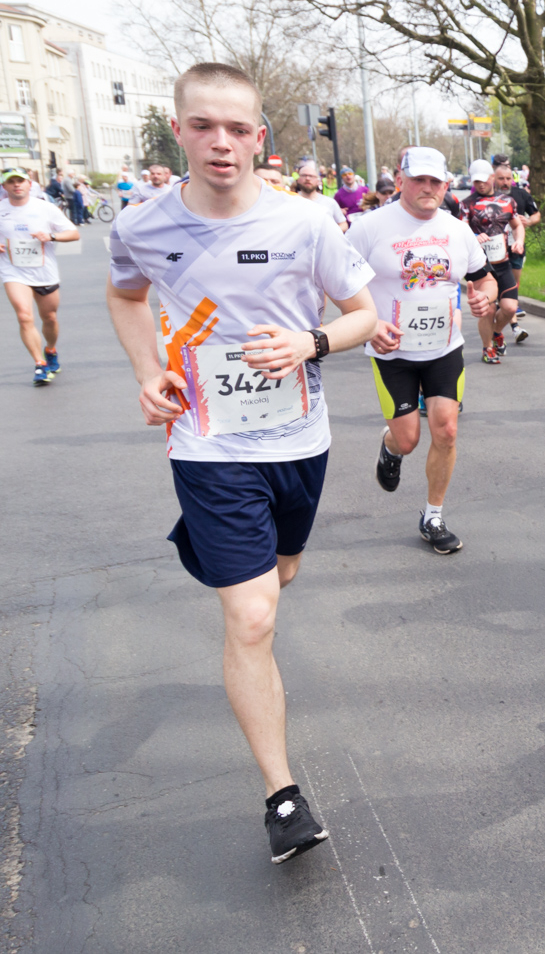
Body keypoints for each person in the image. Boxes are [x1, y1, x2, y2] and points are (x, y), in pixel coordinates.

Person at [105, 62, 377, 864]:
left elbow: (365, 314)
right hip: (207, 443)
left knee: (282, 574)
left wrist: (311, 340)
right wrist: (147, 372)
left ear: (260, 136)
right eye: (202, 126)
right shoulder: (140, 225)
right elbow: (125, 299)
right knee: (253, 614)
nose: (220, 143)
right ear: (179, 130)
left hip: (300, 440)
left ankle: (242, 555)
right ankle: (281, 795)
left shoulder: (306, 223)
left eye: (236, 128)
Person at [348, 146, 495, 553]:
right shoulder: (369, 227)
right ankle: (391, 446)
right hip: (391, 351)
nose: (427, 188)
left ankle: (433, 515)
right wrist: (368, 324)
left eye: (435, 181)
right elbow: (337, 283)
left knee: (446, 429)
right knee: (409, 439)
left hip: (444, 346)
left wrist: (485, 298)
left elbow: (485, 279)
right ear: (400, 181)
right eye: (419, 180)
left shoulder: (457, 229)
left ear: (446, 185)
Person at [0, 165, 78, 384]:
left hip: (44, 271)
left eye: (20, 180)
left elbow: (73, 233)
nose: (16, 184)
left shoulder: (45, 208)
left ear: (29, 184)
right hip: (13, 271)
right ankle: (39, 364)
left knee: (49, 318)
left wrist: (51, 236)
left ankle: (50, 350)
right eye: (11, 181)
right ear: (4, 186)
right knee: (24, 316)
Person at [458, 159, 523, 363]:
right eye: (476, 181)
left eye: (483, 180)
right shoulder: (466, 204)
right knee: (488, 309)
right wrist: (473, 238)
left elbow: (517, 225)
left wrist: (519, 241)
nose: (480, 185)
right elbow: (460, 231)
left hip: (502, 262)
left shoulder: (507, 201)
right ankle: (488, 348)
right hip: (479, 267)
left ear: (492, 178)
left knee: (510, 307)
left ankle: (496, 332)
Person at [492, 159, 540, 345]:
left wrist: (529, 221)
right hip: (494, 252)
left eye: (507, 179)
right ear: (494, 179)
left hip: (516, 248)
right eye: (501, 178)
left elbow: (536, 214)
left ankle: (502, 321)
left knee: (512, 284)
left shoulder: (520, 195)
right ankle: (514, 327)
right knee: (503, 287)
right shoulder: (488, 198)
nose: (505, 182)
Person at [292, 163, 348, 230]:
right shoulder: (291, 202)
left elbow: (343, 224)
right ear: (298, 179)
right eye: (304, 175)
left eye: (311, 176)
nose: (307, 178)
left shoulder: (329, 202)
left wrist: (330, 233)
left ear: (317, 181)